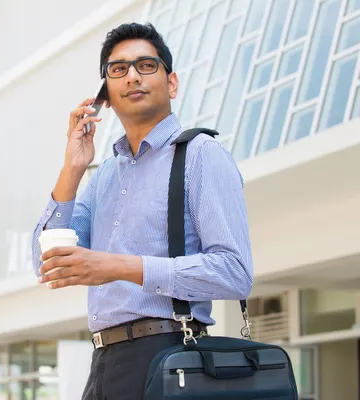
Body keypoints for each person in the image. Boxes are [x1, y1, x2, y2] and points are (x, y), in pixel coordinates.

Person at [31, 22, 253, 400]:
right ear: (106, 96)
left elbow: (235, 274)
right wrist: (73, 166)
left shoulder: (201, 155)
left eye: (146, 66)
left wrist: (118, 266)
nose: (132, 76)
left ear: (172, 83)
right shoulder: (104, 177)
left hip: (170, 355)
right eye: (118, 70)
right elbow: (44, 263)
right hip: (104, 362)